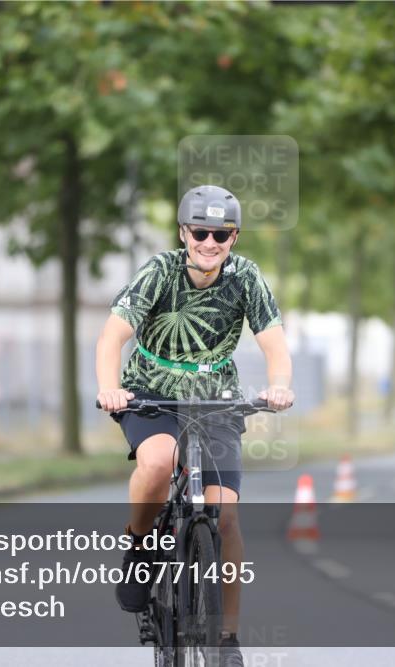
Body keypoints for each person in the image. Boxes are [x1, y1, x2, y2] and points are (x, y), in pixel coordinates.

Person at [96, 185, 294, 666]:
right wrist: (109, 388)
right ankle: (141, 547)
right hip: (152, 392)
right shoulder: (159, 271)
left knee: (226, 517)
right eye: (200, 232)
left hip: (215, 399)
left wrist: (280, 386)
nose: (209, 242)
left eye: (220, 234)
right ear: (183, 232)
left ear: (234, 238)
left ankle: (226, 639)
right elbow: (111, 337)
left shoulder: (245, 277)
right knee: (158, 462)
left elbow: (275, 345)